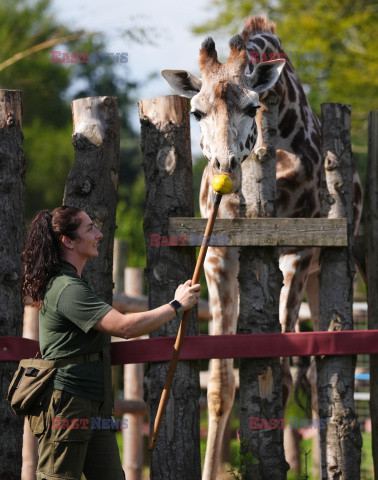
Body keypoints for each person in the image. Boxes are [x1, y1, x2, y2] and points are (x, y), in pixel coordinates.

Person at [22, 206, 201, 480]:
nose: (100, 234)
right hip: (67, 404)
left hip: (93, 403)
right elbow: (125, 328)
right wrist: (176, 305)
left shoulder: (73, 282)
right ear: (68, 241)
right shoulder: (67, 289)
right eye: (89, 228)